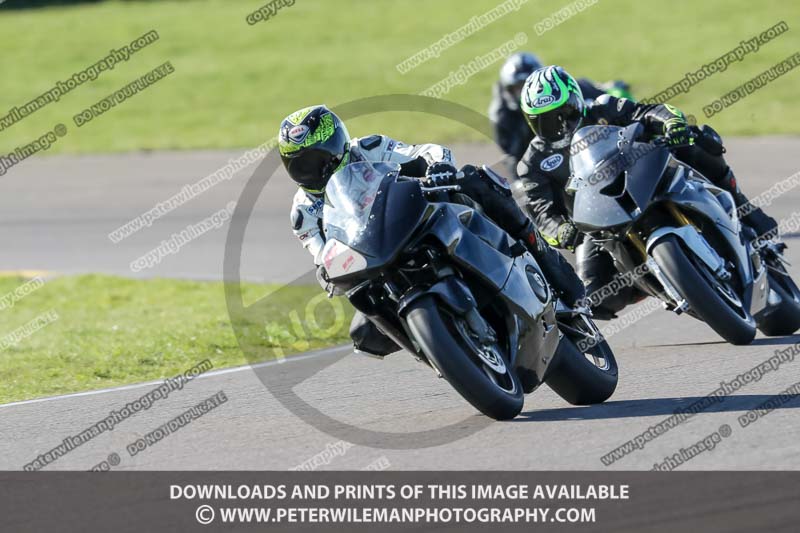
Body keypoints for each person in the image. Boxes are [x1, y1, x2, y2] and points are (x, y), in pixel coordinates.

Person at [279, 104, 585, 355]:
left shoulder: (368, 148)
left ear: (338, 144)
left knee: (475, 180)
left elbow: (423, 151)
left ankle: (540, 253)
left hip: (411, 217)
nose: (316, 170)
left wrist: (437, 166)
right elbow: (321, 255)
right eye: (302, 166)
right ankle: (438, 351)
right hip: (373, 255)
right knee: (363, 332)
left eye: (320, 158)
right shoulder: (302, 212)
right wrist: (327, 272)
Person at [515, 65, 779, 319]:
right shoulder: (531, 164)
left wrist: (671, 123)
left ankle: (746, 210)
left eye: (565, 113)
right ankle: (654, 282)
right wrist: (561, 230)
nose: (560, 126)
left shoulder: (605, 107)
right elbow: (541, 212)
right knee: (592, 295)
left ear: (577, 100)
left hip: (644, 175)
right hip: (599, 221)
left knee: (697, 140)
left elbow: (649, 111)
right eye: (546, 121)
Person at [489, 52, 632, 175]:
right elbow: (513, 156)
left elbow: (606, 93)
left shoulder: (569, 88)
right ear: (508, 89)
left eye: (532, 84)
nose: (530, 91)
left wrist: (613, 89)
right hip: (548, 165)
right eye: (518, 87)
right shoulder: (501, 117)